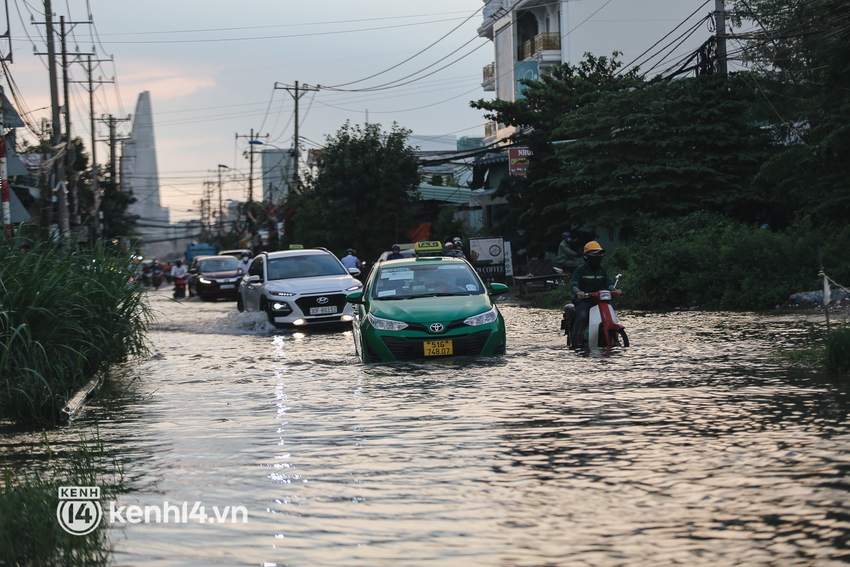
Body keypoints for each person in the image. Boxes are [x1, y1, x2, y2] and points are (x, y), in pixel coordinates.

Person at [568, 241, 616, 348]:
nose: (597, 258)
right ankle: (574, 342)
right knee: (582, 316)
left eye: (599, 255)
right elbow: (574, 283)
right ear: (587, 257)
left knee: (609, 315)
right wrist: (578, 292)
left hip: (599, 300)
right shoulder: (580, 270)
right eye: (595, 255)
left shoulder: (601, 270)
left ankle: (612, 337)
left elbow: (608, 282)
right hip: (583, 300)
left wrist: (614, 289)